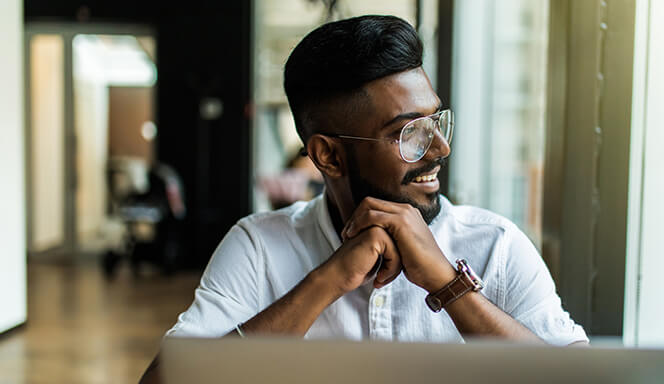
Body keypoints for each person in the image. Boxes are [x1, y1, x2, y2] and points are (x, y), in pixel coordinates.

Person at [140, 14, 587, 383]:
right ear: (328, 156)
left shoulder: (496, 245)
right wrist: (329, 279)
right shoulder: (259, 245)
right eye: (408, 132)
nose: (439, 149)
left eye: (436, 122)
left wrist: (449, 285)